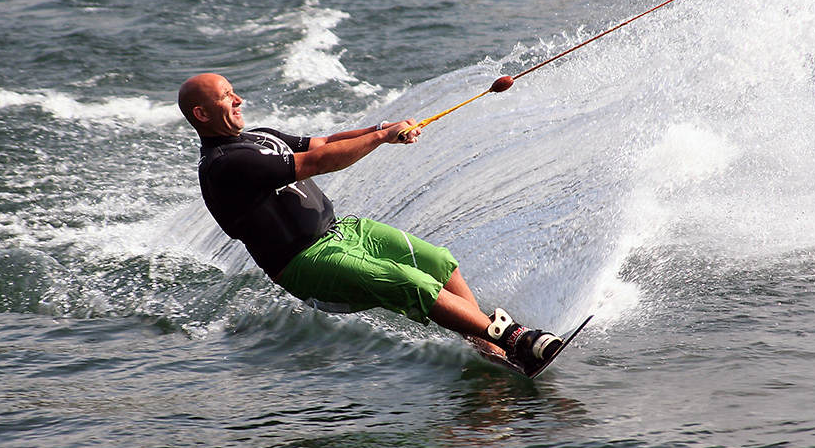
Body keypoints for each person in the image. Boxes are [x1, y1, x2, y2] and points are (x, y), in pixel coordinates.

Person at [177, 72, 562, 373]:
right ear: (202, 113)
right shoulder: (225, 164)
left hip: (343, 230)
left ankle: (489, 350)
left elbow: (323, 143)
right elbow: (316, 163)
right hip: (305, 263)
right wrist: (380, 137)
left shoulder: (260, 138)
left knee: (438, 262)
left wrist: (385, 127)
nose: (238, 99)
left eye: (233, 91)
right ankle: (514, 338)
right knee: (413, 284)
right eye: (227, 96)